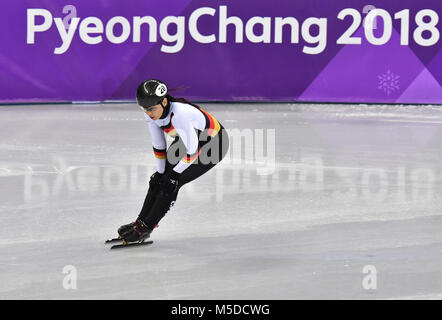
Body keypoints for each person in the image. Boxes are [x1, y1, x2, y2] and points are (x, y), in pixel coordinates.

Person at [117, 79, 229, 243]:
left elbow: (193, 150)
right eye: (144, 109)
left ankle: (146, 226)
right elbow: (159, 145)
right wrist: (161, 171)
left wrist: (174, 175)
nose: (148, 113)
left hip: (214, 144)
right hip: (190, 139)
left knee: (172, 184)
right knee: (158, 181)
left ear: (163, 101)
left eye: (151, 109)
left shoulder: (179, 114)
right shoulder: (151, 111)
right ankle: (139, 223)